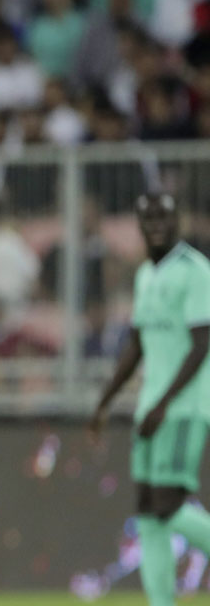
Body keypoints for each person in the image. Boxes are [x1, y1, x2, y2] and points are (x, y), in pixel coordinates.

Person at [89, 192, 210, 606]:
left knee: (168, 503)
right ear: (139, 225)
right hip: (151, 406)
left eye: (164, 216)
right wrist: (105, 400)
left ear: (179, 221)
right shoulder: (146, 275)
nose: (156, 223)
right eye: (149, 217)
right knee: (147, 510)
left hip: (185, 408)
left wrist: (163, 404)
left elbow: (201, 345)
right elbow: (137, 346)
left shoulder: (195, 270)